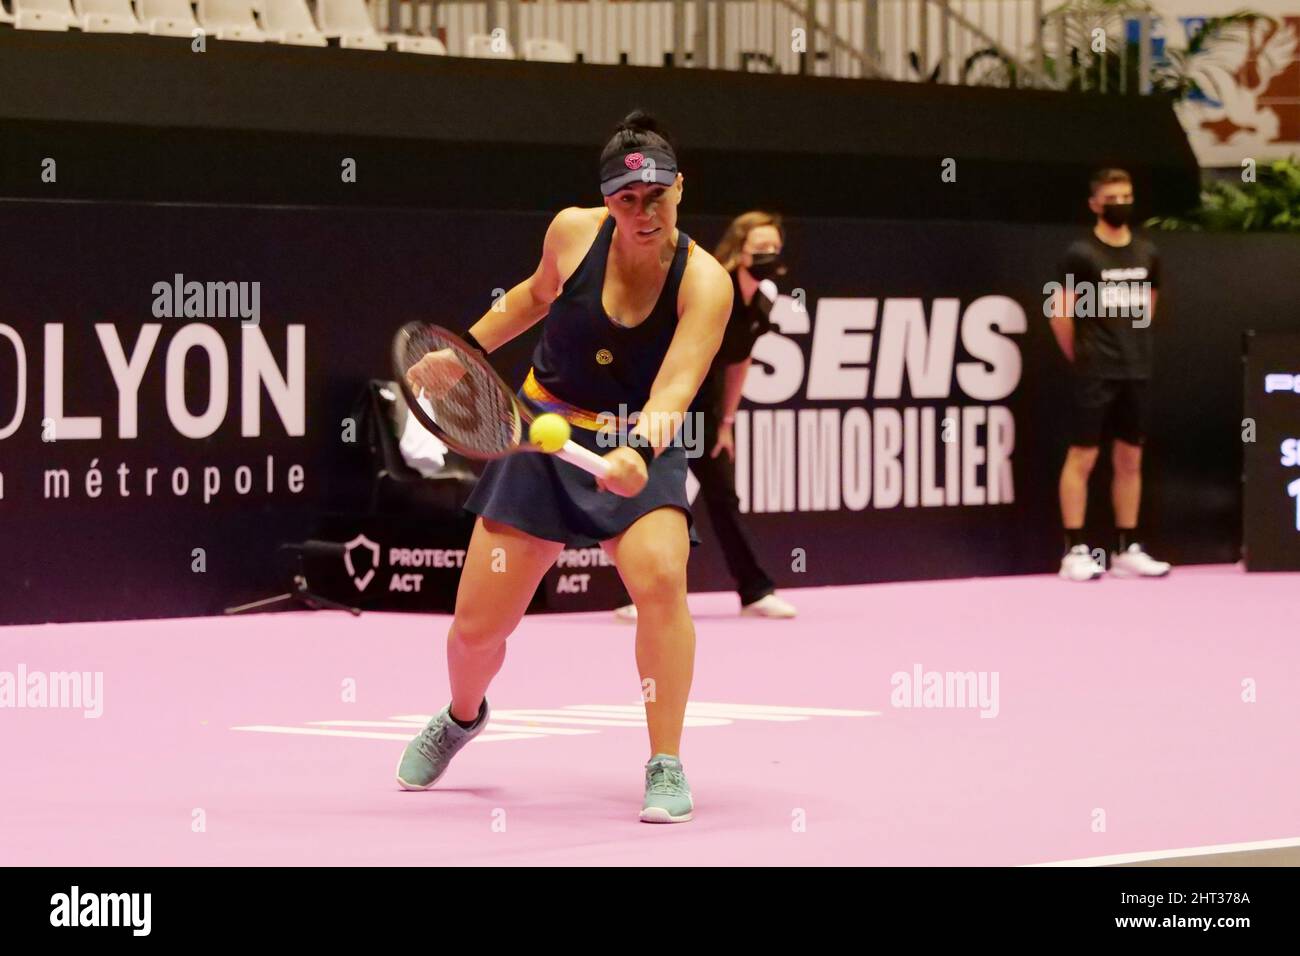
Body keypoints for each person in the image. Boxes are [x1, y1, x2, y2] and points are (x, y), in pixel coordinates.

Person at [395, 110, 734, 823]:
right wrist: (465, 354)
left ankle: (665, 760)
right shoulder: (573, 233)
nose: (644, 213)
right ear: (607, 200)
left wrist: (637, 454)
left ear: (681, 188)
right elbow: (532, 295)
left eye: (658, 196)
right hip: (540, 440)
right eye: (627, 199)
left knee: (661, 578)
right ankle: (461, 717)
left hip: (637, 439)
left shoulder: (705, 282)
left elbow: (677, 385)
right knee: (475, 630)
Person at [613, 211, 798, 621]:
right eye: (759, 248)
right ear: (739, 249)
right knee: (652, 501)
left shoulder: (764, 298)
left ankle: (755, 592)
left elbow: (740, 360)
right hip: (664, 405)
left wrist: (727, 423)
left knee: (723, 498)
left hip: (706, 413)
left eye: (774, 249)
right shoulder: (716, 287)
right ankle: (641, 596)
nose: (768, 255)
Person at [1049, 168, 1171, 581]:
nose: (1121, 203)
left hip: (1136, 368)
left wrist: (1131, 345)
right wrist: (1082, 357)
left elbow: (1150, 305)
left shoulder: (1147, 253)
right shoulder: (1080, 254)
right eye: (1112, 197)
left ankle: (1126, 548)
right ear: (1095, 204)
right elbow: (1060, 311)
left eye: (1127, 195)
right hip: (1094, 370)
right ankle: (1074, 550)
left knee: (1130, 458)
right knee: (1083, 455)